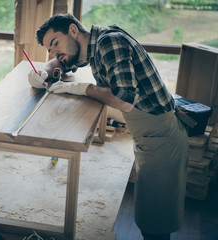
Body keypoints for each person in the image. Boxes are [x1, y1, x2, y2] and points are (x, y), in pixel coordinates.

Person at [28, 14, 189, 240]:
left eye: (55, 43)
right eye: (51, 50)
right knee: (149, 215)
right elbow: (68, 63)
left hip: (161, 136)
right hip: (149, 135)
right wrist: (46, 71)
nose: (55, 53)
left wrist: (83, 89)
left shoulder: (109, 42)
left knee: (155, 224)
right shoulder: (95, 44)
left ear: (73, 31)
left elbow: (124, 100)